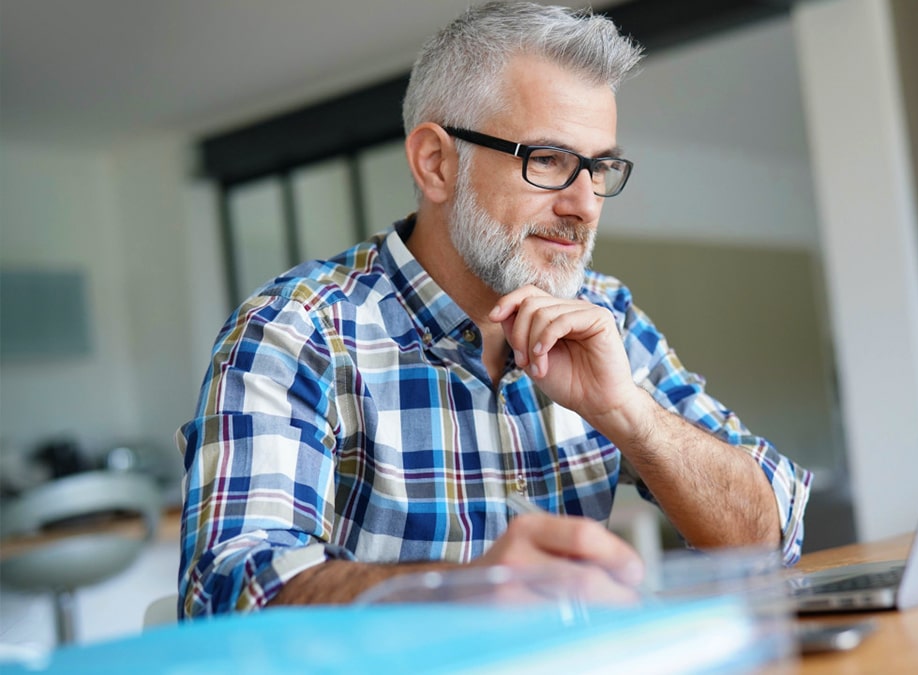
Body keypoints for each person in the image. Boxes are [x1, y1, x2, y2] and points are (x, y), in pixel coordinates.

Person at [177, 1, 811, 617]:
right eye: (550, 160)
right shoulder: (297, 330)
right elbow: (227, 594)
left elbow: (773, 534)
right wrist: (464, 591)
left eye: (600, 168)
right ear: (436, 164)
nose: (585, 205)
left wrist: (628, 414)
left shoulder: (603, 313)